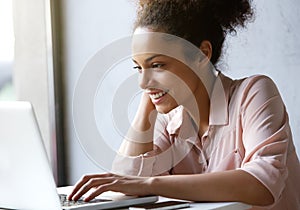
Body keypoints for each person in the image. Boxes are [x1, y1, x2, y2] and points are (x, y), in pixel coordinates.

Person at [68, 0, 300, 209]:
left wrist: (152, 183)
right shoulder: (168, 121)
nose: (142, 81)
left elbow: (263, 184)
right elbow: (124, 187)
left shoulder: (253, 93)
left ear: (202, 54)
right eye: (138, 68)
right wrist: (147, 103)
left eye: (157, 64)